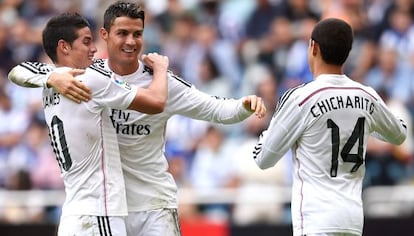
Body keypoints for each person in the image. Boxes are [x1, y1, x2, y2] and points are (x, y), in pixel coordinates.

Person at [8, 1, 267, 236]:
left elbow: (215, 109)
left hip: (153, 205)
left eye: (137, 33)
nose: (131, 41)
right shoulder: (88, 76)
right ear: (105, 35)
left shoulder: (161, 82)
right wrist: (51, 76)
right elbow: (22, 69)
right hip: (108, 209)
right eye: (122, 33)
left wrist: (244, 105)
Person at [8, 12, 169, 235]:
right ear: (64, 47)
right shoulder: (91, 80)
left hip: (74, 215)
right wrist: (161, 69)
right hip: (99, 214)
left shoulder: (50, 82)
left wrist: (50, 77)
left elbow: (17, 71)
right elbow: (157, 102)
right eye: (86, 41)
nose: (94, 49)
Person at [253, 18, 407, 236]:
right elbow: (400, 134)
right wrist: (369, 125)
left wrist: (270, 126)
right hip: (352, 220)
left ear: (313, 47)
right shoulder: (367, 95)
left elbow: (263, 159)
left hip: (316, 219)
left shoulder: (301, 98)